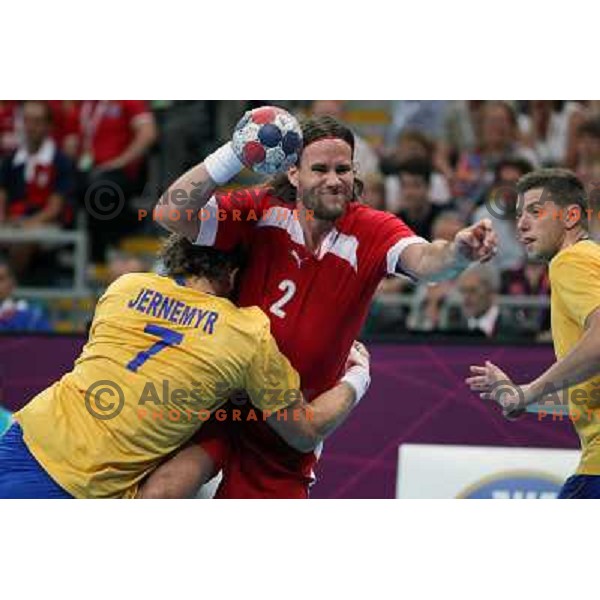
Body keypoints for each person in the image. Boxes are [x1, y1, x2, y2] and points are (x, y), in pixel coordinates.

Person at [149, 111, 498, 499]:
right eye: (320, 169)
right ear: (294, 175)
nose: (334, 180)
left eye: (343, 169)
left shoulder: (373, 229)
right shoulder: (262, 209)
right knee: (162, 492)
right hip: (222, 408)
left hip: (288, 431)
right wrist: (234, 154)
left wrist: (459, 253)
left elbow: (427, 261)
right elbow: (171, 212)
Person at [0, 234, 369, 498]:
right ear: (237, 276)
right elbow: (303, 432)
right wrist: (357, 377)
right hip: (78, 487)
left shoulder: (124, 287)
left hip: (22, 439)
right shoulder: (247, 333)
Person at [466, 168, 600, 498]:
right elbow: (590, 392)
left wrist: (529, 393)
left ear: (571, 216)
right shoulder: (593, 259)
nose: (521, 224)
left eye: (535, 212)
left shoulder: (570, 261)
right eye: (518, 215)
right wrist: (522, 396)